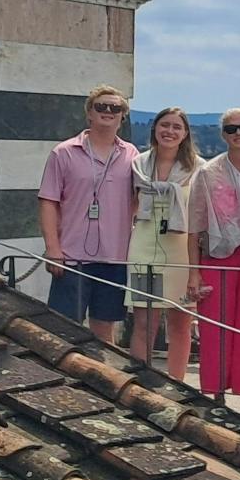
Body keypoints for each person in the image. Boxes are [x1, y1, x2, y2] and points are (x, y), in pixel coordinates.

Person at [37, 85, 138, 341]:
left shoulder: (132, 155)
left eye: (115, 107)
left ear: (122, 116)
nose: (108, 111)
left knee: (105, 329)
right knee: (63, 328)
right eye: (101, 106)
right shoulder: (63, 152)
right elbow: (48, 201)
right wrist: (52, 248)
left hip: (114, 257)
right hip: (72, 256)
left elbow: (138, 200)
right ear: (89, 113)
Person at [188, 108, 240, 416]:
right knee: (215, 324)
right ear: (223, 134)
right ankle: (217, 393)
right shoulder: (207, 173)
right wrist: (193, 272)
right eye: (232, 128)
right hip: (216, 254)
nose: (239, 133)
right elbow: (194, 226)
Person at [128, 107, 200, 380]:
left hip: (181, 252)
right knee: (144, 322)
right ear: (155, 128)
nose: (169, 131)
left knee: (180, 324)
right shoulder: (138, 165)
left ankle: (177, 384)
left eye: (176, 127)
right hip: (144, 247)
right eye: (164, 125)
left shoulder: (199, 168)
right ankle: (140, 383)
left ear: (185, 133)